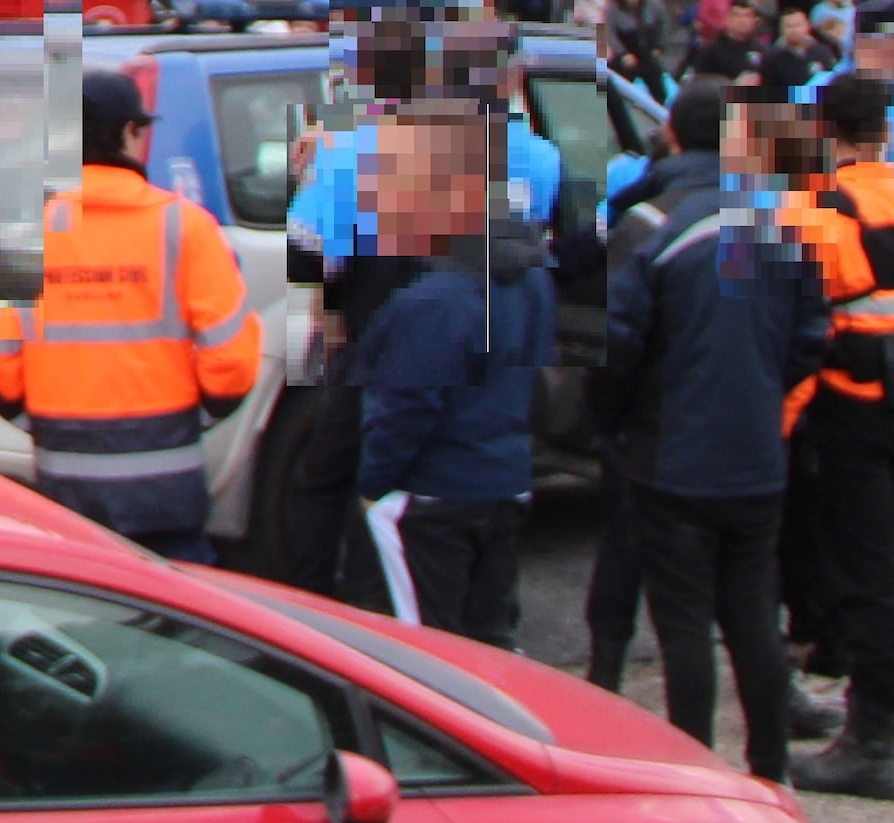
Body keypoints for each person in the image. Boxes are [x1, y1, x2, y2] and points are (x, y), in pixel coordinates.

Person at [595, 82, 822, 776]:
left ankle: (696, 771)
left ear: (671, 136)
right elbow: (811, 335)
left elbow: (619, 343)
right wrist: (761, 390)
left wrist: (617, 420)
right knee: (753, 612)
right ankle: (771, 767)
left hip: (672, 453)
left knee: (684, 621)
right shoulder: (779, 225)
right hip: (755, 452)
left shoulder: (649, 223)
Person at [775, 75, 894, 798]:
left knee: (864, 574)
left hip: (846, 413)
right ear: (885, 132)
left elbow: (801, 335)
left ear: (825, 133)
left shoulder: (810, 212)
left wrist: (780, 425)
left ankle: (870, 740)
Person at [0, 71, 261, 558]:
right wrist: (194, 418)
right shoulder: (185, 226)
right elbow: (231, 361)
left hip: (65, 483)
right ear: (130, 132)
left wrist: (44, 424)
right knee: (176, 601)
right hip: (165, 487)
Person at [345, 102, 554, 643]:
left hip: (433, 494)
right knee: (491, 638)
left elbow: (408, 406)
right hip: (504, 480)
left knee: (428, 652)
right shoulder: (531, 278)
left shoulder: (434, 301)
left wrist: (373, 485)